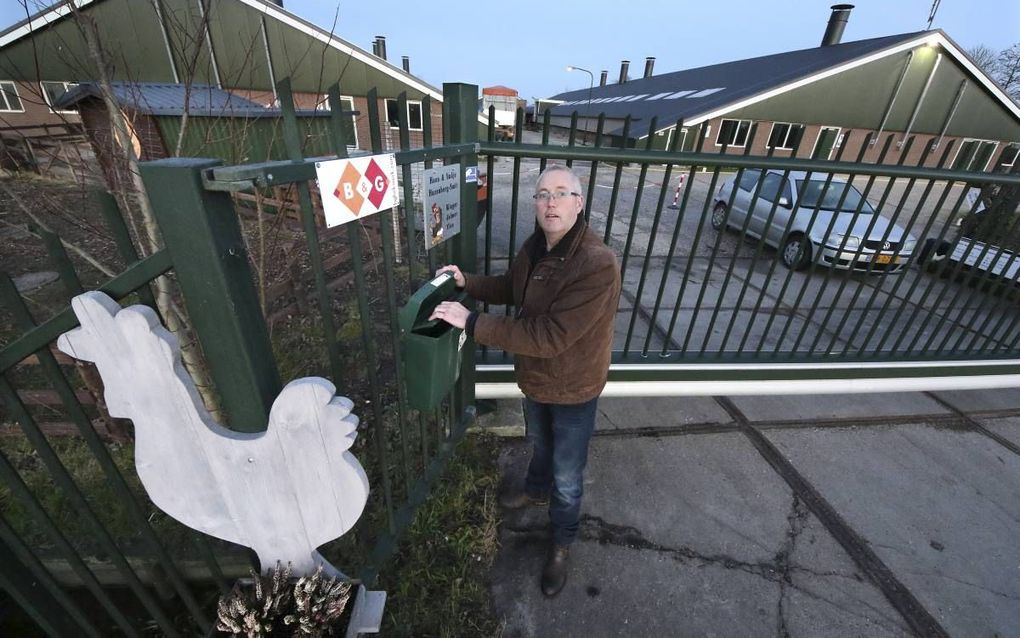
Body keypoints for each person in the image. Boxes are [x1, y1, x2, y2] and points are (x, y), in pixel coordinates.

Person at [428, 164, 621, 597]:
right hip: (537, 379)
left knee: (568, 475)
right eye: (542, 194)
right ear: (535, 203)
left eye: (561, 193)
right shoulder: (537, 247)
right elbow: (513, 289)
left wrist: (472, 322)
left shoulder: (596, 263)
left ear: (579, 202)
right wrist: (468, 282)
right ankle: (535, 491)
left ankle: (561, 543)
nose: (551, 202)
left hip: (573, 386)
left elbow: (550, 336)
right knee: (542, 445)